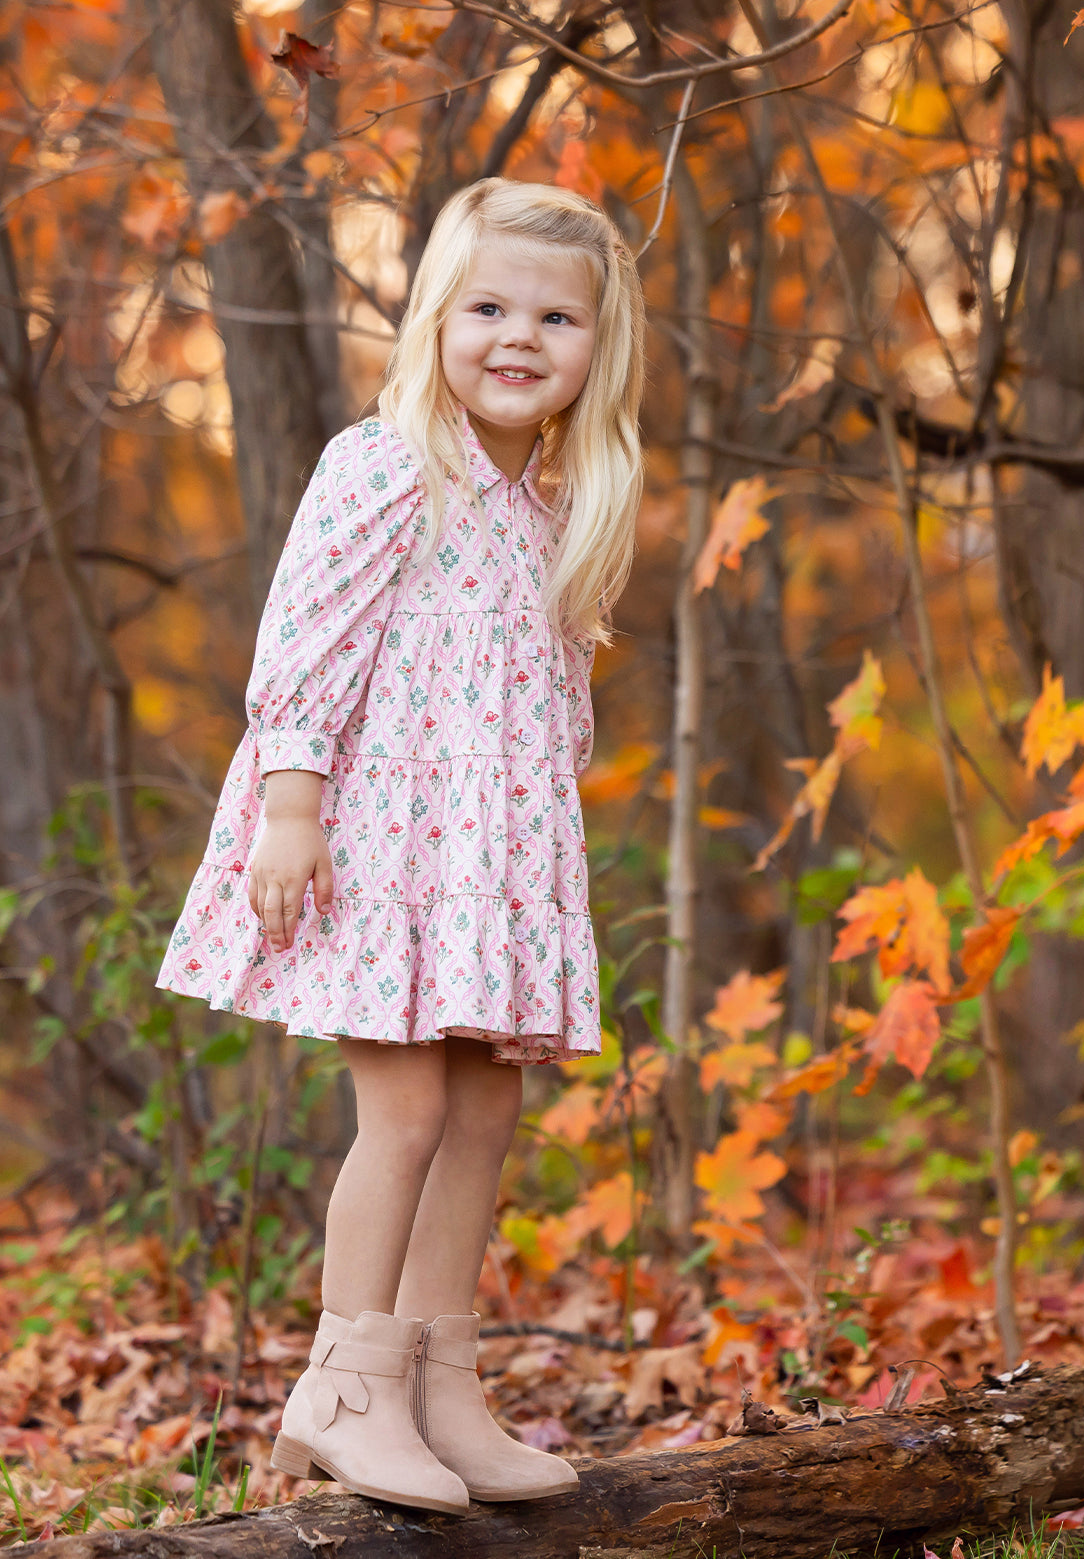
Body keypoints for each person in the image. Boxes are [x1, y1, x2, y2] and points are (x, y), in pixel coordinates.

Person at [156, 178, 645, 1511]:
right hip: (377, 847)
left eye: (555, 318)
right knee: (411, 1110)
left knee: (488, 1106)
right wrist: (292, 808)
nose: (518, 337)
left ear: (598, 347)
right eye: (488, 307)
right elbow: (304, 642)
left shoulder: (559, 502)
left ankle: (439, 1383)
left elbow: (548, 695)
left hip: (492, 863)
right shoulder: (386, 465)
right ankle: (345, 1387)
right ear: (436, 319)